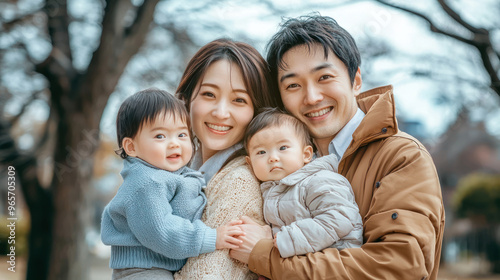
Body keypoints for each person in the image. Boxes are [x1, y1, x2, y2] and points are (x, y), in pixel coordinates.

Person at [230, 15, 445, 280]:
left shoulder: (402, 156)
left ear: (355, 81)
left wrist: (264, 255)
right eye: (293, 85)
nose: (312, 97)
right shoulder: (275, 161)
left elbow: (399, 266)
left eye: (324, 77)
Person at [100, 88, 244, 280]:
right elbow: (162, 231)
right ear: (131, 147)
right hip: (143, 270)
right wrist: (211, 238)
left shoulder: (175, 175)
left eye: (182, 135)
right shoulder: (145, 183)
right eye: (160, 136)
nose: (174, 144)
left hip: (160, 267)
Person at [173, 38, 277, 279]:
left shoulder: (238, 181)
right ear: (187, 99)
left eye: (239, 100)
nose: (220, 113)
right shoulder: (185, 170)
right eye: (209, 94)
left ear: (256, 111)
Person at [243, 108, 363, 258]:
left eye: (282, 148)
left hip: (338, 259)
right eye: (261, 152)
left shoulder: (319, 180)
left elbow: (341, 217)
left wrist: (288, 239)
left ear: (306, 154)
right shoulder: (270, 191)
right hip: (301, 263)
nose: (272, 157)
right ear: (249, 162)